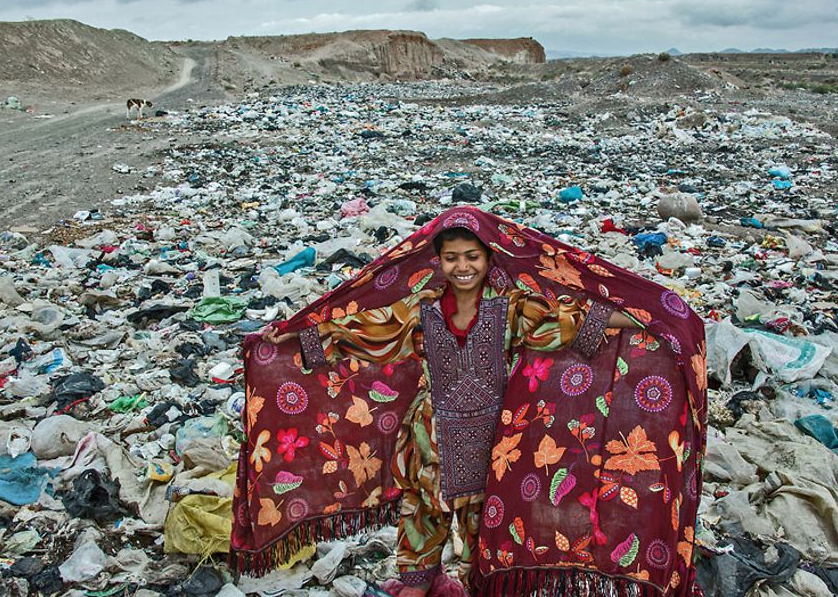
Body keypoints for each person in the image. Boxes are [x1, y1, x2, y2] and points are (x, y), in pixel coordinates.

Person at [262, 226, 636, 596]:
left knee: (486, 526)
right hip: (431, 437)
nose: (463, 267)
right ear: (438, 260)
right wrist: (295, 333)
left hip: (494, 443)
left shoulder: (511, 306)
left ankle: (479, 581)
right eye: (452, 257)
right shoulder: (420, 308)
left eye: (472, 257)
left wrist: (645, 319)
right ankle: (420, 581)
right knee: (424, 509)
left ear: (488, 259)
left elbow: (566, 323)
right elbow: (364, 330)